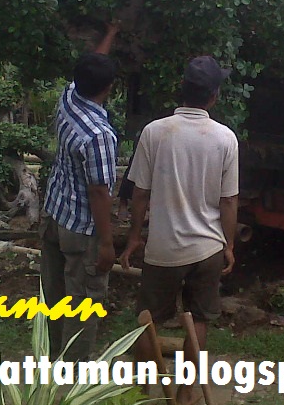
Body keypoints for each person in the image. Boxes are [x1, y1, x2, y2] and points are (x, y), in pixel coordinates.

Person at [119, 56, 239, 405]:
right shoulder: (225, 138)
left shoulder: (155, 132)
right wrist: (229, 244)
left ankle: (143, 392)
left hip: (163, 248)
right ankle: (187, 395)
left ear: (182, 90)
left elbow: (140, 193)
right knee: (199, 319)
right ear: (214, 96)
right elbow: (229, 201)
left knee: (148, 319)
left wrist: (134, 238)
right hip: (207, 249)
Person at [40, 49, 118, 362]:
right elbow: (99, 192)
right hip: (82, 230)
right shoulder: (99, 135)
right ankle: (75, 376)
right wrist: (108, 244)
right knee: (84, 303)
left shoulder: (69, 98)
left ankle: (52, 359)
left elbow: (91, 64)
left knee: (55, 296)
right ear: (110, 87)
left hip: (55, 214)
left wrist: (110, 35)